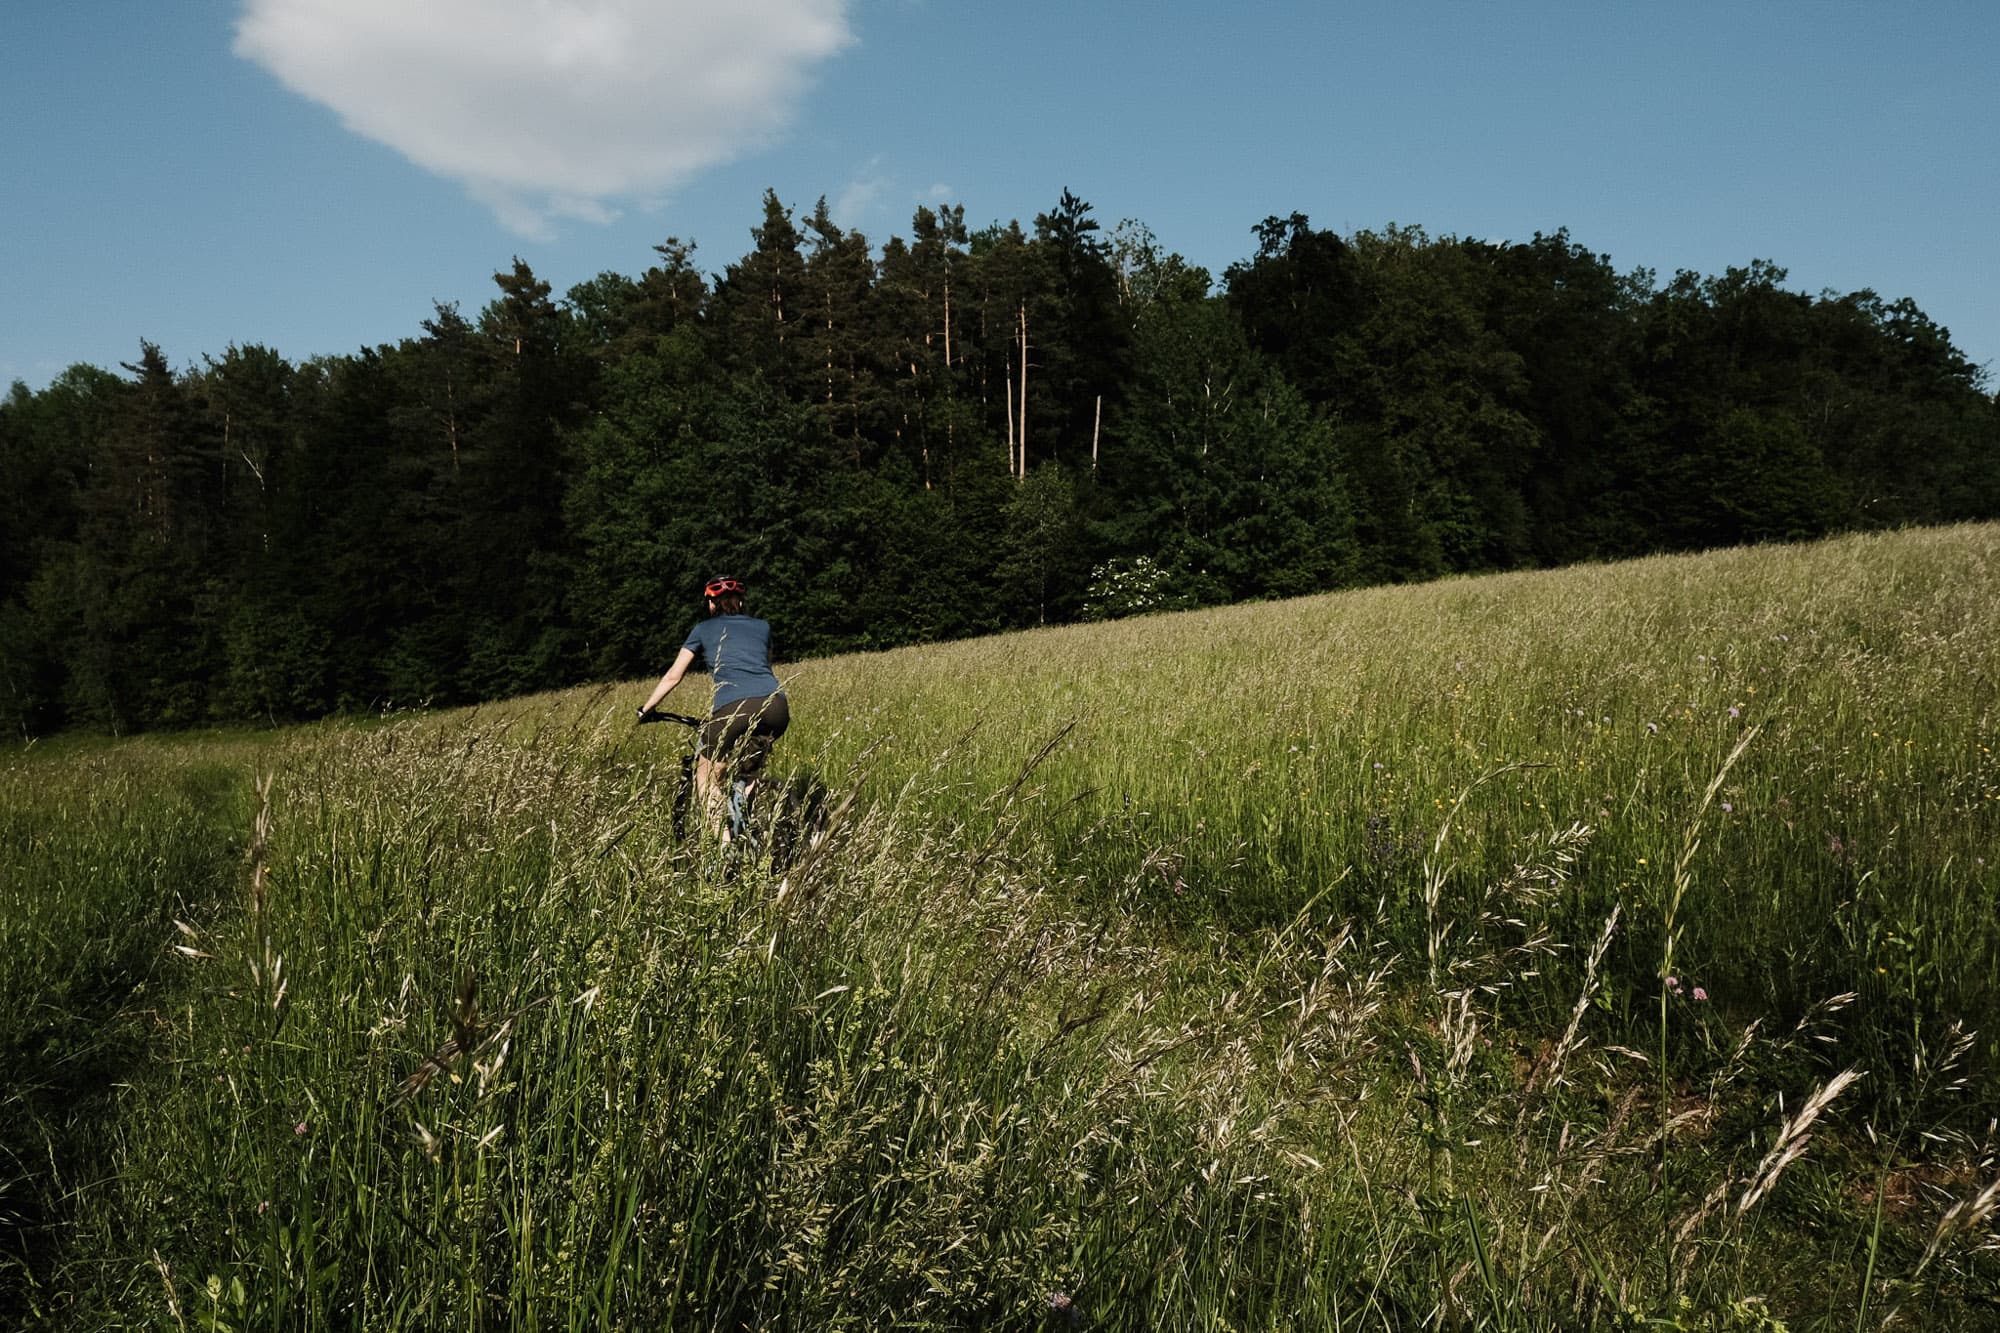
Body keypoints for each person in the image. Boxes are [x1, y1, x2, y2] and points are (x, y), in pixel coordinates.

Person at [637, 575, 789, 841]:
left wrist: (647, 708)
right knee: (746, 771)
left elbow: (674, 675)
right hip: (776, 706)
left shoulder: (702, 629)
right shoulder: (763, 627)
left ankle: (726, 848)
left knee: (706, 777)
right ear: (741, 602)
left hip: (734, 709)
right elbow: (765, 665)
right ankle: (746, 830)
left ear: (710, 604)